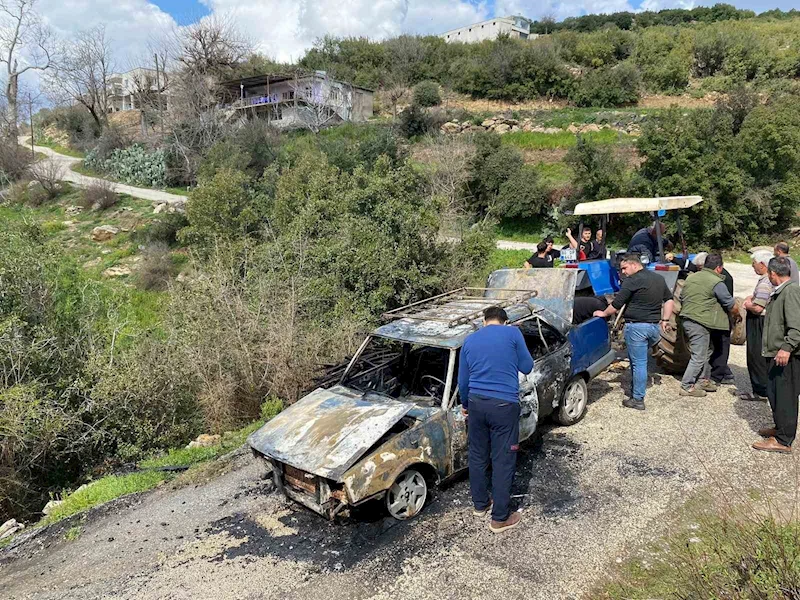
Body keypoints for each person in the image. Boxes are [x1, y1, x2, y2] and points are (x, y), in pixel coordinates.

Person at [458, 306, 534, 532]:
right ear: (505, 321)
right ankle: (500, 518)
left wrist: (465, 405)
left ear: (484, 321)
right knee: (503, 460)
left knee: (478, 455)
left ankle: (480, 505)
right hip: (504, 405)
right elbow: (527, 366)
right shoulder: (512, 334)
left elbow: (463, 381)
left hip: (476, 404)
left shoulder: (469, 340)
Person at [592, 254, 674, 410]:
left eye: (624, 268)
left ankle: (637, 399)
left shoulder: (632, 281)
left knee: (638, 364)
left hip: (637, 328)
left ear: (635, 265)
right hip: (654, 328)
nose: (623, 272)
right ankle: (636, 386)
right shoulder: (658, 279)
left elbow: (616, 304)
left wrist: (603, 313)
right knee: (639, 360)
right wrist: (665, 320)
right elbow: (669, 299)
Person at [753, 256, 800, 453]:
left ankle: (783, 440)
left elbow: (797, 326)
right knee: (775, 393)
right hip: (776, 353)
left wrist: (786, 347)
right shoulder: (781, 291)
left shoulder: (791, 291)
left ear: (773, 273)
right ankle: (780, 428)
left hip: (786, 355)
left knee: (786, 396)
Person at [678, 253, 739, 397]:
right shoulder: (716, 281)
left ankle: (703, 380)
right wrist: (737, 315)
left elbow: (681, 297)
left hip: (687, 319)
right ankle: (686, 386)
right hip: (700, 322)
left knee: (708, 350)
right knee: (699, 355)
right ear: (719, 268)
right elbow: (730, 304)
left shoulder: (691, 277)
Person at [692, 252, 735, 385]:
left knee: (721, 344)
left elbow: (728, 301)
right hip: (709, 314)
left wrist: (733, 316)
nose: (698, 270)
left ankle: (718, 375)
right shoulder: (709, 274)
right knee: (714, 344)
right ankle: (721, 371)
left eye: (700, 267)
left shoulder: (724, 278)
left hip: (719, 315)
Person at [740, 249, 774, 401]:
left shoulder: (765, 282)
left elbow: (758, 307)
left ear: (762, 264)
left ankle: (760, 391)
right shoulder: (768, 279)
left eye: (754, 263)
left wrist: (747, 305)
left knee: (756, 356)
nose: (752, 266)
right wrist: (752, 297)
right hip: (765, 321)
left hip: (758, 321)